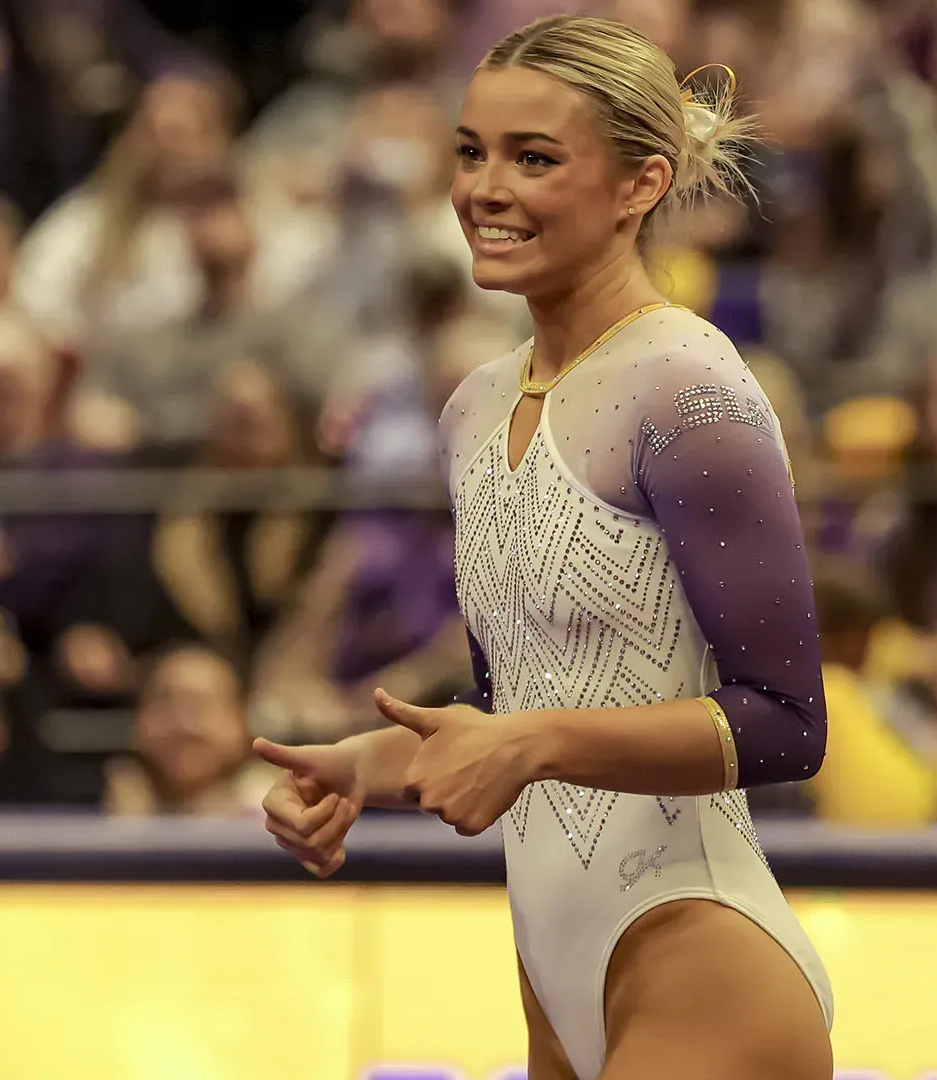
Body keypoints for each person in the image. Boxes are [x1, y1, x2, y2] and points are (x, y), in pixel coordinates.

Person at [253, 15, 833, 1080]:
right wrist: (373, 765)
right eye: (470, 152)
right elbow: (520, 711)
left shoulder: (687, 389)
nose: (484, 188)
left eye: (534, 159)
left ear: (639, 185)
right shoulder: (472, 408)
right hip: (551, 969)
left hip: (698, 947)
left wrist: (532, 745)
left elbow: (790, 725)